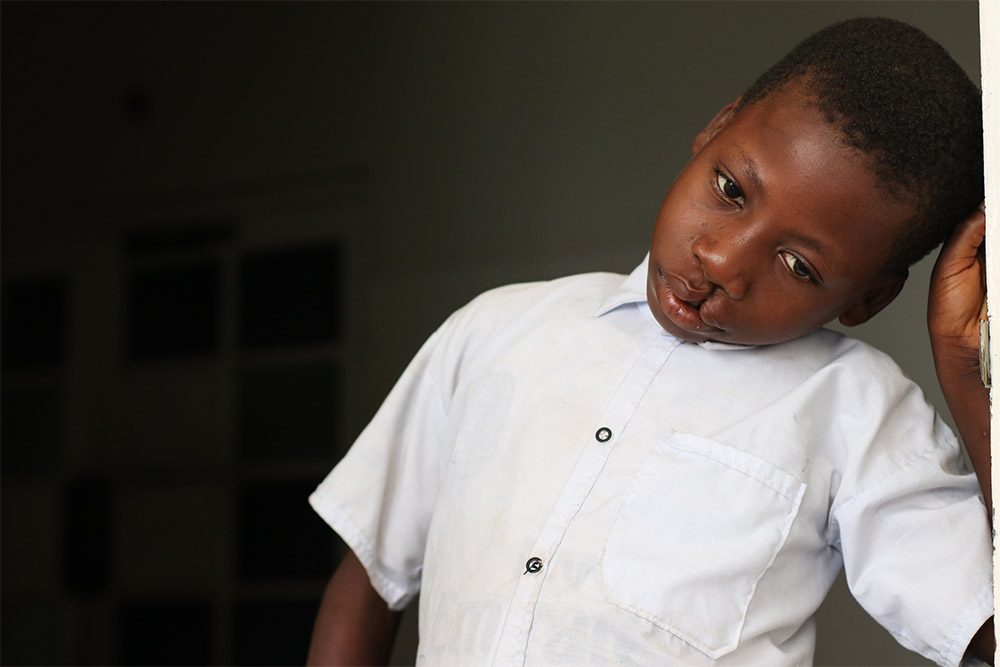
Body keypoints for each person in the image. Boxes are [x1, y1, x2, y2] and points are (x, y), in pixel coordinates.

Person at [307, 17, 993, 666]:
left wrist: (967, 370)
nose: (724, 261)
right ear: (717, 127)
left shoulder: (857, 409)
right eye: (730, 188)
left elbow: (987, 628)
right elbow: (370, 568)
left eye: (798, 266)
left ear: (868, 299)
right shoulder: (494, 329)